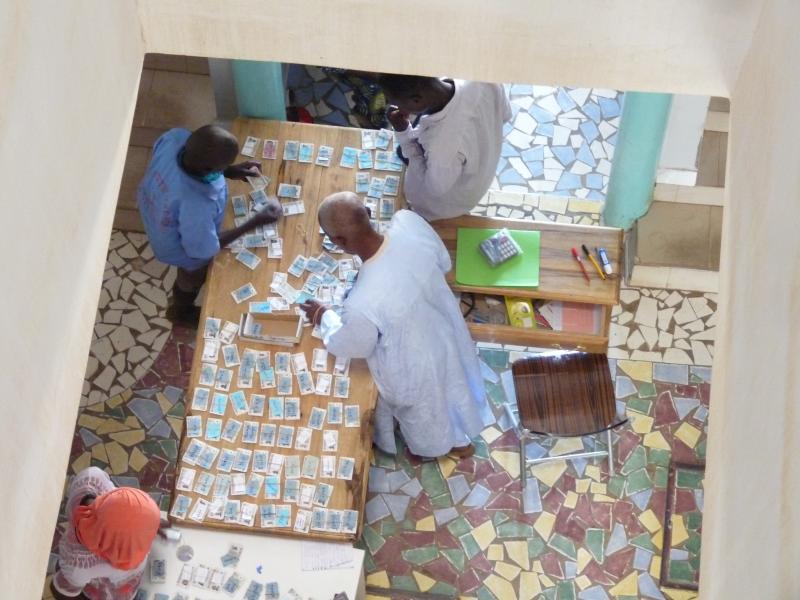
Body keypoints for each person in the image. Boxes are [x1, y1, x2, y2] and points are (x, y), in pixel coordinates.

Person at [300, 192, 491, 459]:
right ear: (368, 213)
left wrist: (324, 316)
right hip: (445, 333)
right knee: (454, 388)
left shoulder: (362, 301)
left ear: (339, 241)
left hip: (414, 366)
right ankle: (462, 442)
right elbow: (444, 262)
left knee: (428, 417)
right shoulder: (409, 223)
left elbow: (354, 345)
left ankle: (443, 448)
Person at [137, 124, 282, 324]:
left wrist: (229, 170)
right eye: (223, 166)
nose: (225, 169)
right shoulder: (196, 205)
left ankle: (181, 308)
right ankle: (180, 312)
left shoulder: (175, 138)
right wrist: (255, 221)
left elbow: (188, 161)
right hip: (180, 249)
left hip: (154, 207)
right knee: (190, 278)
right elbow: (205, 249)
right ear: (208, 169)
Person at [379, 74, 511, 221]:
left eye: (397, 103)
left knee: (408, 159)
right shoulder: (482, 78)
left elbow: (432, 189)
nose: (396, 108)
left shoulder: (442, 148)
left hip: (449, 201)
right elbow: (506, 114)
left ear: (416, 100)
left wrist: (403, 133)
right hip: (480, 172)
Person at [51, 467, 161, 600]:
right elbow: (61, 592)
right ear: (118, 550)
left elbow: (129, 514)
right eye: (145, 539)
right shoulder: (79, 566)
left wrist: (150, 522)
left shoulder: (92, 479)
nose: (149, 543)